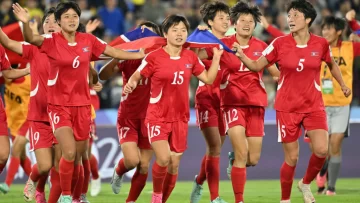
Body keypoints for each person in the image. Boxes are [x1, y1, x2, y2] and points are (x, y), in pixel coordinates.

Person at [12, 2, 145, 203]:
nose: (72, 20)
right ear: (57, 22)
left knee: (77, 158)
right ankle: (64, 196)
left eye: (75, 16)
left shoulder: (87, 40)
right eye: (66, 17)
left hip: (83, 107)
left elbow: (112, 52)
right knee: (65, 154)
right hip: (56, 107)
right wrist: (23, 24)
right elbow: (30, 39)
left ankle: (76, 196)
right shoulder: (49, 43)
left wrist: (140, 54)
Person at [232, 0, 351, 202]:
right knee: (292, 158)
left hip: (314, 104)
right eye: (289, 15)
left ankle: (305, 183)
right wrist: (242, 55)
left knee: (322, 150)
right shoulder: (279, 43)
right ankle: (285, 199)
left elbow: (332, 64)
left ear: (308, 19)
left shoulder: (320, 44)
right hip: (287, 107)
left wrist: (342, 84)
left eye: (295, 15)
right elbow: (256, 65)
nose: (290, 19)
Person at [124, 14, 223, 203]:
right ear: (166, 33)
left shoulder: (190, 57)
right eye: (175, 29)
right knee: (162, 159)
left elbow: (209, 79)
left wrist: (216, 58)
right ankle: (156, 197)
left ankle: (162, 200)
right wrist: (131, 84)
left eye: (183, 30)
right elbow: (136, 75)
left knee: (174, 165)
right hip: (157, 116)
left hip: (180, 118)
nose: (179, 33)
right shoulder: (154, 57)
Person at [195, 2, 280, 202]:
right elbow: (196, 55)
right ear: (235, 23)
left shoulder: (262, 46)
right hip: (232, 103)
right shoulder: (223, 43)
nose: (247, 24)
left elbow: (276, 73)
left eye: (251, 21)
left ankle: (234, 160)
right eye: (243, 20)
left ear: (255, 24)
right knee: (242, 154)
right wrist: (199, 36)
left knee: (252, 158)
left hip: (257, 104)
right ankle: (239, 200)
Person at [0, 7, 62, 202]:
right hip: (39, 115)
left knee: (61, 166)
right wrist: (25, 23)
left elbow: (91, 62)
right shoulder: (34, 48)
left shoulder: (73, 48)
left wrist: (93, 79)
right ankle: (33, 181)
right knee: (44, 166)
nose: (51, 25)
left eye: (55, 21)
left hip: (64, 115)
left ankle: (69, 196)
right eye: (47, 22)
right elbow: (9, 42)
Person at [100, 21, 162, 203]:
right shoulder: (128, 55)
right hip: (128, 115)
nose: (143, 37)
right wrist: (115, 58)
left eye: (148, 34)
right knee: (132, 161)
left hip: (151, 118)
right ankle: (119, 171)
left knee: (144, 166)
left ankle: (130, 201)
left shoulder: (160, 57)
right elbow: (103, 76)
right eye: (139, 33)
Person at [313, 16, 360, 196]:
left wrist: (354, 23)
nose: (325, 32)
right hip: (320, 106)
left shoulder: (349, 48)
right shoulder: (316, 48)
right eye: (323, 29)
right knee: (323, 149)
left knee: (335, 145)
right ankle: (322, 170)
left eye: (329, 29)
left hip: (342, 105)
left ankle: (331, 187)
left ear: (338, 31)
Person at [190, 2, 230, 203]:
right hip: (207, 98)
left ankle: (198, 181)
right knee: (214, 147)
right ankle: (215, 198)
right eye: (221, 17)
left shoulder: (233, 42)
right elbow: (192, 58)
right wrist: (198, 34)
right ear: (210, 22)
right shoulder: (203, 43)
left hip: (227, 101)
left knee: (215, 150)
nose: (225, 21)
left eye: (227, 17)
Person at [0, 44, 30, 177]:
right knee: (18, 152)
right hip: (13, 121)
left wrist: (28, 69)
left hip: (22, 119)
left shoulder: (0, 48)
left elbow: (8, 73)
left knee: (4, 155)